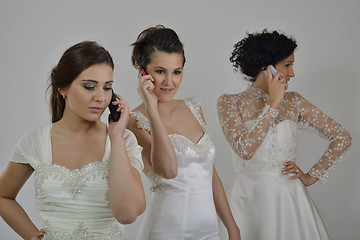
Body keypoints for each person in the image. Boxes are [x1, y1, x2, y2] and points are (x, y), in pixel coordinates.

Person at [0, 41, 146, 240]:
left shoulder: (124, 139)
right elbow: (3, 196)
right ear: (62, 88)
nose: (101, 97)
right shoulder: (35, 142)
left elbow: (127, 214)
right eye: (89, 86)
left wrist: (116, 138)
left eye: (107, 87)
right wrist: (31, 235)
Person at [216, 29, 352, 240]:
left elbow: (342, 136)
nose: (292, 73)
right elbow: (245, 150)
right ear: (265, 66)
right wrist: (273, 104)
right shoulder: (230, 102)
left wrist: (310, 177)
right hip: (247, 199)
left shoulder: (295, 101)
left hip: (289, 198)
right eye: (287, 65)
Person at [127, 25, 241, 240]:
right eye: (160, 71)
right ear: (143, 72)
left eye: (177, 72)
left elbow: (211, 175)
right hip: (167, 230)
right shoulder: (134, 121)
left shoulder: (193, 107)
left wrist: (231, 227)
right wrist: (151, 109)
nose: (170, 82)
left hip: (209, 231)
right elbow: (165, 169)